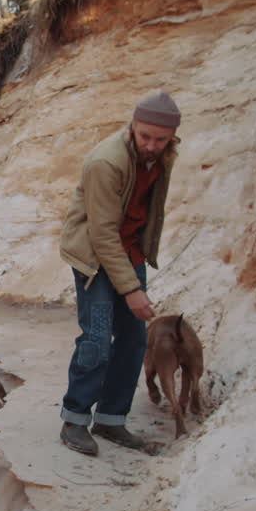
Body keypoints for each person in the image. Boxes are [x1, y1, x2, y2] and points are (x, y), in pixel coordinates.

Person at [57, 92, 181, 457]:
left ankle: (111, 420)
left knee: (132, 339)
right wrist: (131, 289)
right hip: (94, 255)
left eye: (161, 139)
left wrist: (138, 263)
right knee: (96, 338)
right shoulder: (106, 162)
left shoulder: (163, 154)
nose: (152, 145)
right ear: (133, 126)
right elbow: (101, 233)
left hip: (129, 252)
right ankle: (74, 420)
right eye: (145, 136)